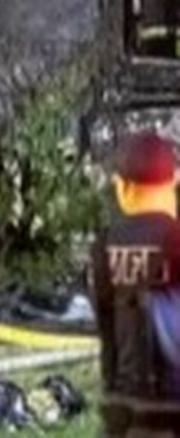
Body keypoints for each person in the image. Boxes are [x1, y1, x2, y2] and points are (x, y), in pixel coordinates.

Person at [92, 130, 180, 436]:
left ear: (122, 187)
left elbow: (107, 331)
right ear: (175, 180)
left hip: (129, 405)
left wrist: (111, 394)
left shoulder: (105, 245)